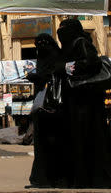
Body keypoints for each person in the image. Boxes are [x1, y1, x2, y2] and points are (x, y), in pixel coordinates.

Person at [56, 18, 111, 188]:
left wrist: (71, 67)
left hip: (86, 101)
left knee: (87, 136)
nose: (61, 32)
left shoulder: (81, 42)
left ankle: (91, 177)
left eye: (64, 29)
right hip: (73, 100)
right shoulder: (69, 46)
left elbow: (92, 62)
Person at [26, 33, 67, 188]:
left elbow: (53, 76)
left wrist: (37, 78)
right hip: (45, 108)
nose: (40, 48)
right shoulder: (52, 55)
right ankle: (43, 179)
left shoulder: (54, 57)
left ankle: (49, 179)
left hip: (52, 108)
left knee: (51, 145)